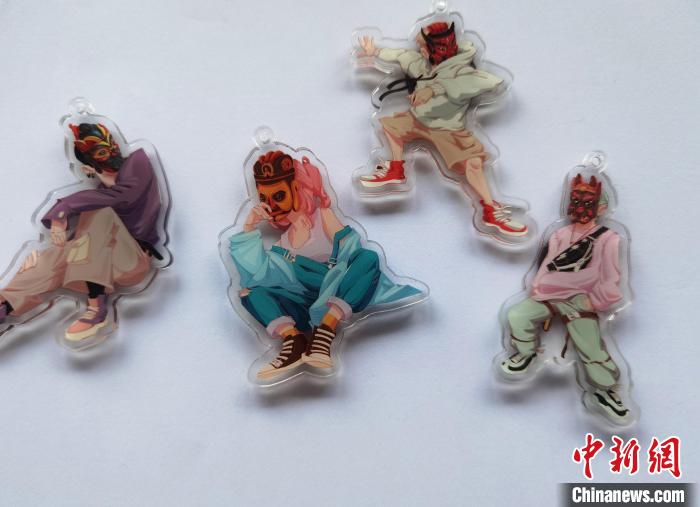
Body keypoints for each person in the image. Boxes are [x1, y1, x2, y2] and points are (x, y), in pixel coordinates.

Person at [229, 150, 422, 380]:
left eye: (278, 196)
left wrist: (332, 275)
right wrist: (249, 227)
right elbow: (257, 277)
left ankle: (324, 333)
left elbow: (352, 253)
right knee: (250, 292)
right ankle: (294, 343)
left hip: (340, 291)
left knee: (368, 258)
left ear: (296, 188)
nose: (271, 206)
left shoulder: (323, 217)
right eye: (264, 199)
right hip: (304, 304)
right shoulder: (282, 244)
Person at [357, 21, 527, 237]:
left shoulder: (462, 69)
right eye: (420, 47)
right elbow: (401, 55)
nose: (420, 51)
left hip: (449, 129)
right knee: (390, 126)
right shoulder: (421, 63)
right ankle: (396, 170)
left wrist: (435, 88)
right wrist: (375, 52)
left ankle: (491, 210)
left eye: (423, 47)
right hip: (419, 120)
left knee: (473, 165)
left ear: (439, 49)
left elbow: (493, 81)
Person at [0, 123, 165, 342]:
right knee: (51, 257)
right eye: (99, 153)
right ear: (89, 164)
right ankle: (5, 307)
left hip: (133, 261)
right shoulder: (101, 191)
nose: (110, 154)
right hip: (102, 263)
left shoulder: (138, 162)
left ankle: (97, 310)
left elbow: (123, 196)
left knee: (99, 213)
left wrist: (62, 210)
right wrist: (50, 255)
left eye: (109, 148)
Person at [499, 174, 631, 421]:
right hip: (548, 294)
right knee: (517, 315)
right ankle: (526, 353)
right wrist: (538, 288)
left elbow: (610, 275)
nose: (580, 206)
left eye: (588, 202)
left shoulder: (608, 238)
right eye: (576, 200)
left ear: (600, 207)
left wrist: (598, 301)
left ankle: (605, 391)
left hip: (581, 299)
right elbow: (547, 264)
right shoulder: (560, 234)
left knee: (590, 346)